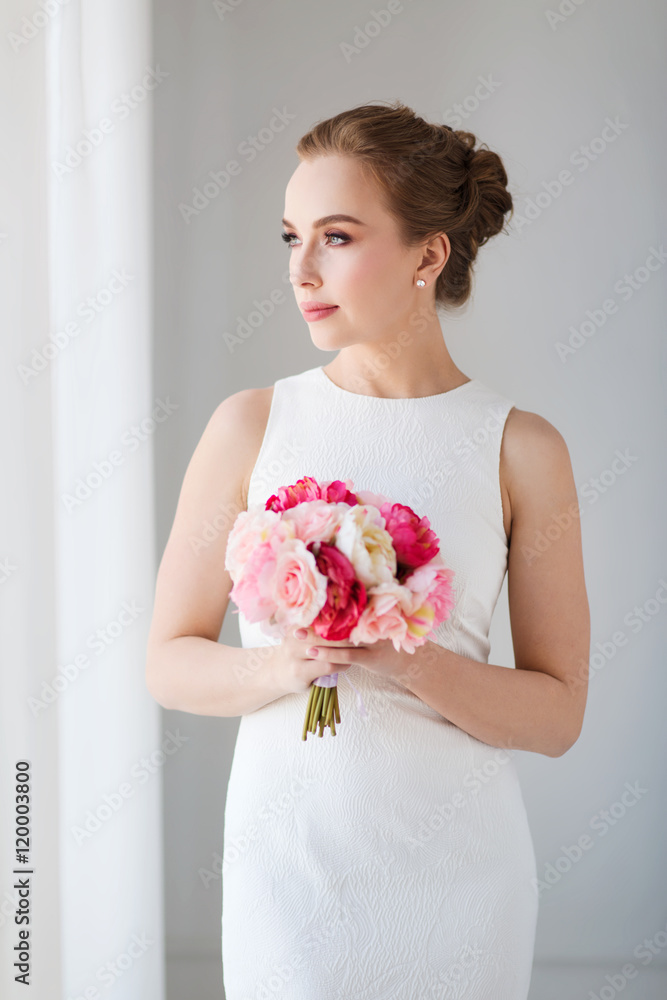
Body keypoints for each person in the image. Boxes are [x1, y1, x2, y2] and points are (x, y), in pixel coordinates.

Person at [145, 100, 590, 998]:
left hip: (463, 884)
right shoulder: (249, 426)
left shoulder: (521, 448)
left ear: (429, 253)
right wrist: (287, 665)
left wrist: (407, 661)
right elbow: (168, 662)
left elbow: (555, 716)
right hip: (290, 874)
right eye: (290, 237)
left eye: (336, 237)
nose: (300, 269)